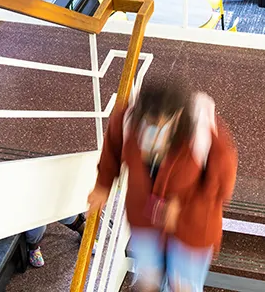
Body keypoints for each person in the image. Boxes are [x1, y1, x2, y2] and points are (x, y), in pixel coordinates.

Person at [87, 80, 238, 292]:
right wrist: (103, 184)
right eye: (149, 123)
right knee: (147, 280)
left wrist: (182, 206)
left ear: (177, 117)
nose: (155, 133)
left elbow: (222, 187)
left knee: (183, 286)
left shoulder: (203, 134)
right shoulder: (127, 120)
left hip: (193, 226)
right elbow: (112, 148)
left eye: (162, 126)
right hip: (145, 218)